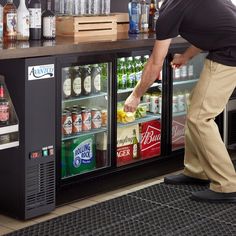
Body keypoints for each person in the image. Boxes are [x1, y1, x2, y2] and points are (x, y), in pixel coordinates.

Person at [124, 0, 236, 203]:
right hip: (226, 50)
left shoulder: (168, 12)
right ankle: (196, 171)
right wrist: (185, 56)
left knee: (200, 118)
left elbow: (155, 62)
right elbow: (210, 31)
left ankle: (227, 185)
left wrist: (136, 94)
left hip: (230, 55)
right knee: (195, 108)